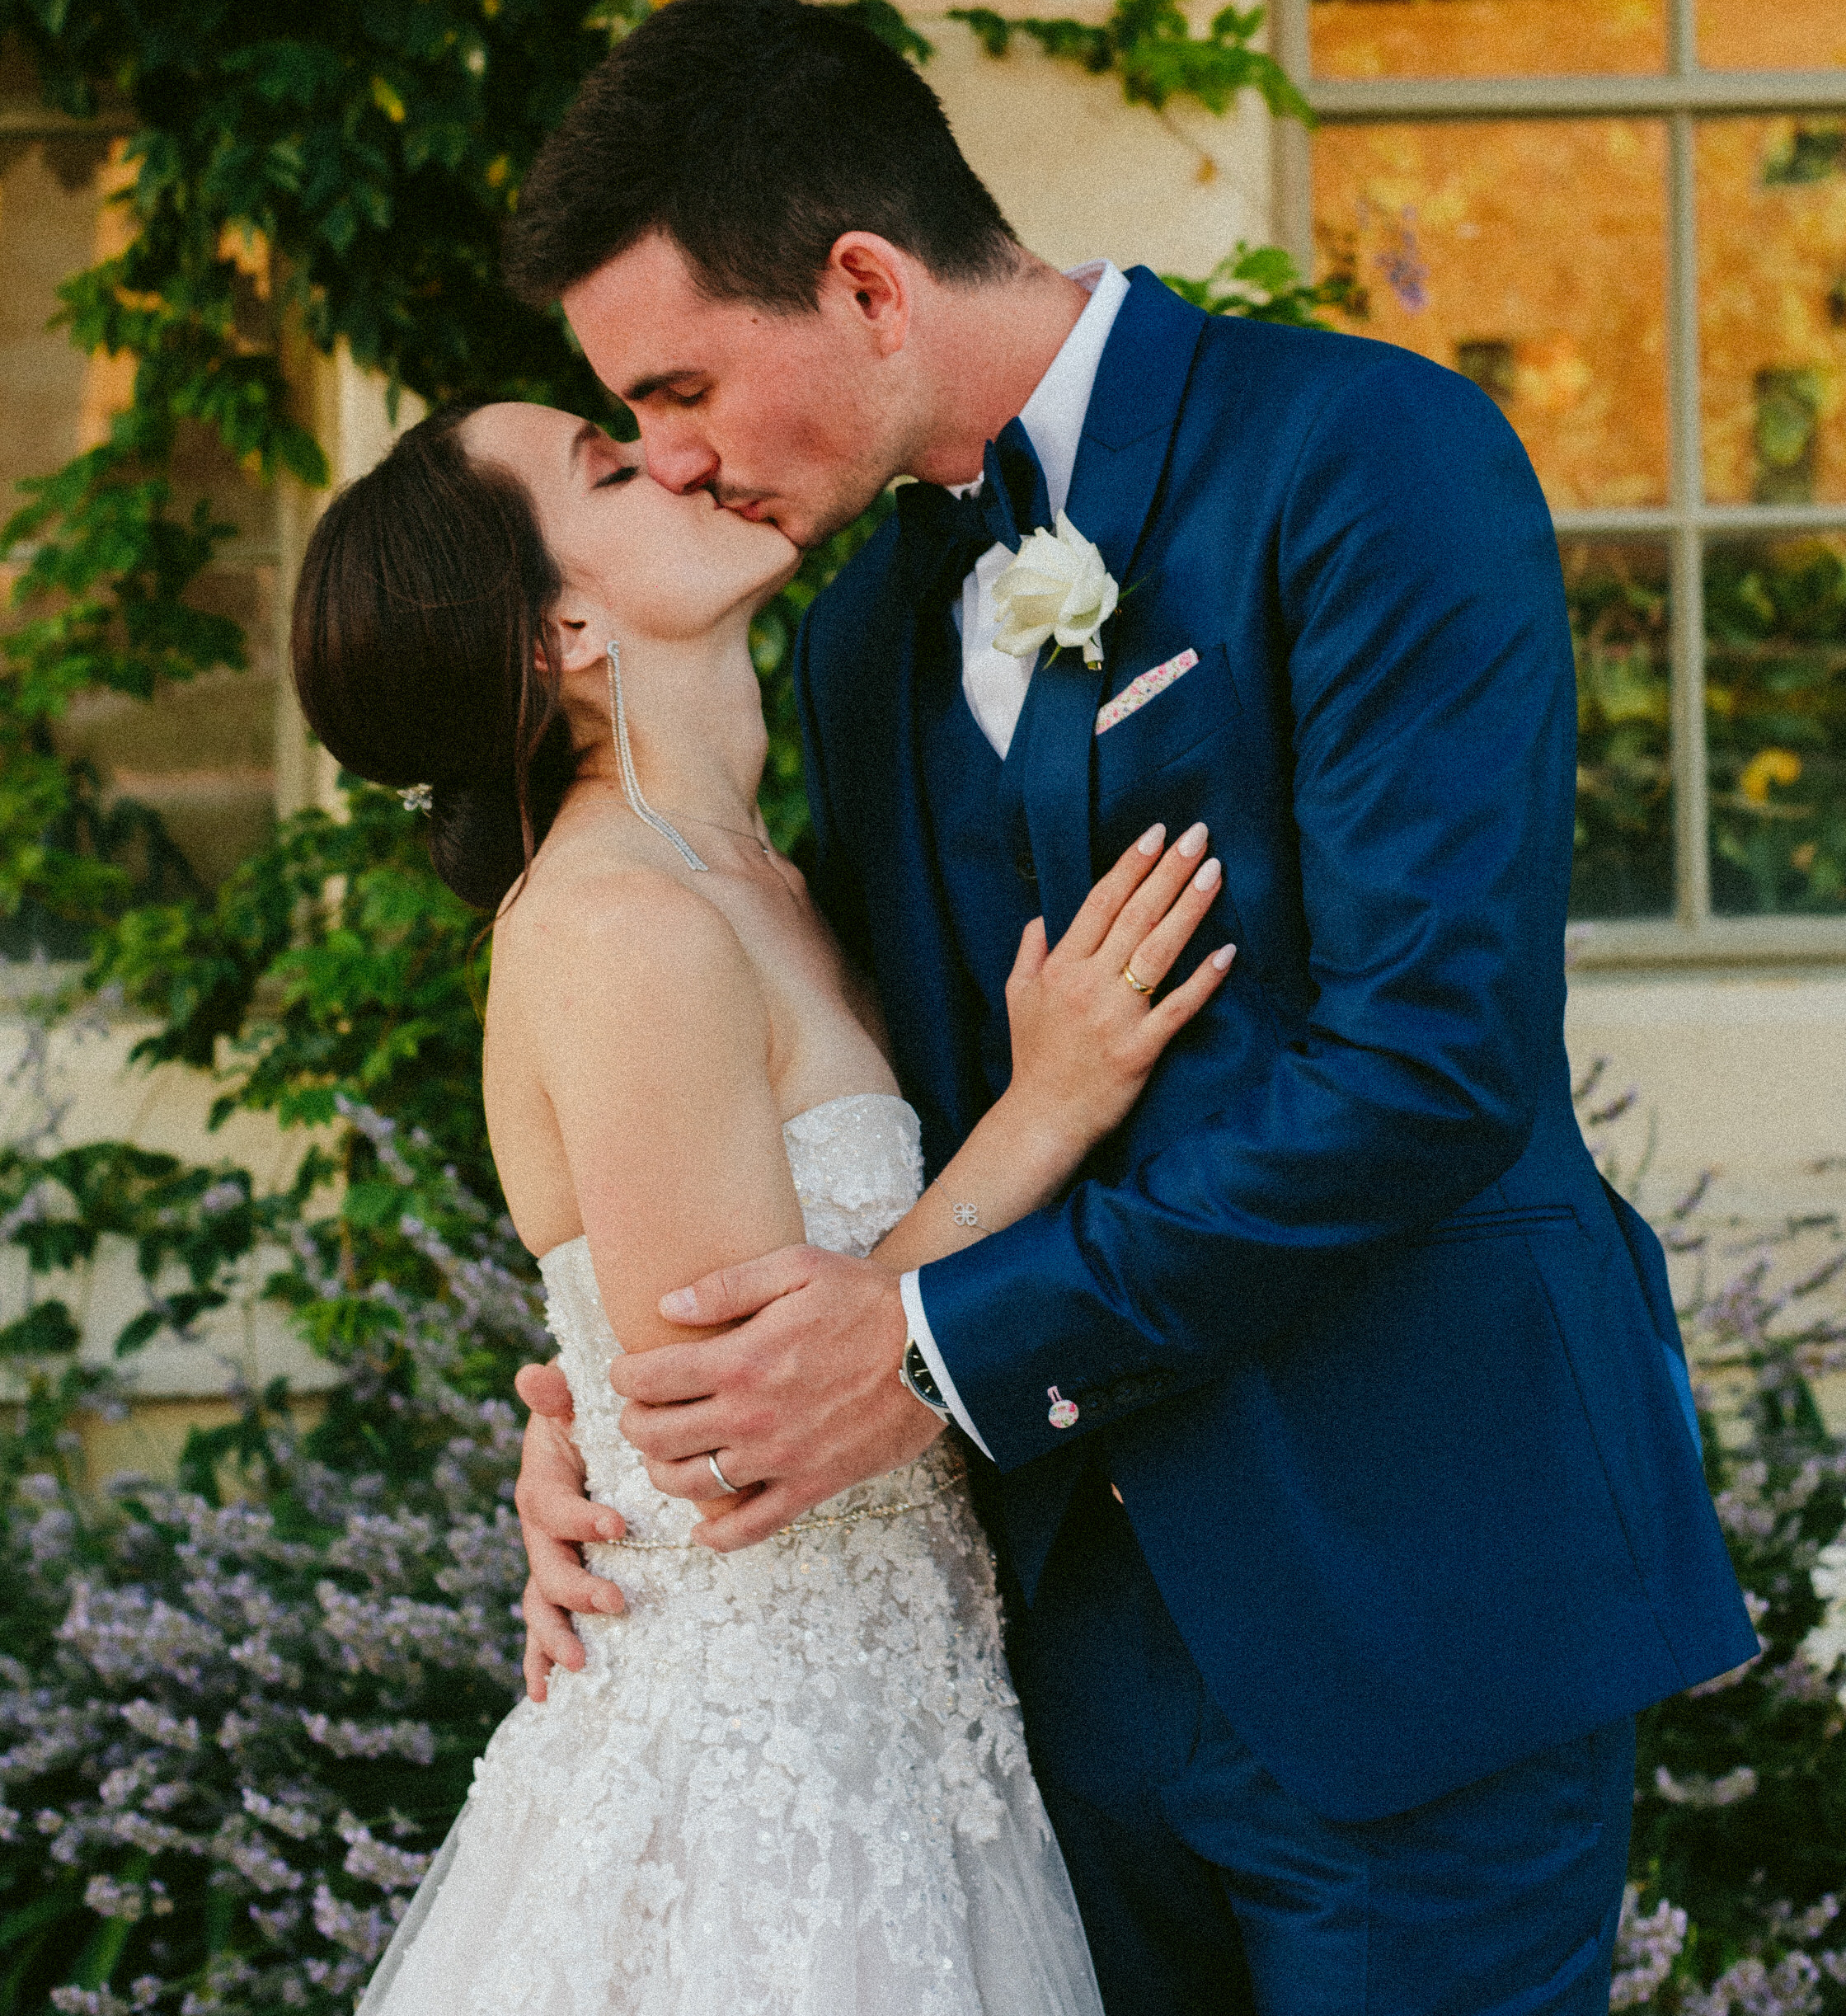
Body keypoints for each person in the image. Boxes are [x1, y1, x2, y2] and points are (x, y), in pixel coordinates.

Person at [502, 0, 1759, 2015]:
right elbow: (829, 1112)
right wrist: (595, 1426)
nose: (673, 463)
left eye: (680, 391)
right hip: (1050, 1683)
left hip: (1415, 1609)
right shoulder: (860, 642)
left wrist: (928, 1355)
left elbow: (1431, 1066)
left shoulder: (1372, 458)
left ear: (867, 288)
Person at [289, 395, 1240, 2014]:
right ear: (565, 630)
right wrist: (1052, 1105)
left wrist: (569, 1406)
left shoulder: (777, 878)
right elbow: (737, 1435)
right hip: (761, 1804)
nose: (671, 450)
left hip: (929, 1744)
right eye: (606, 463)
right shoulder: (616, 928)